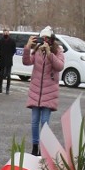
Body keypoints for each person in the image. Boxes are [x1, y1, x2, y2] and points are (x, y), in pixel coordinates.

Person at [23, 26, 65, 156]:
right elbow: (26, 62)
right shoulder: (37, 50)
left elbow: (60, 66)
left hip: (49, 92)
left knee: (45, 122)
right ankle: (35, 147)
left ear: (52, 39)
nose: (44, 41)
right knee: (35, 121)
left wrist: (49, 53)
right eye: (43, 38)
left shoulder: (57, 51)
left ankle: (44, 147)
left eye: (47, 38)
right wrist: (27, 47)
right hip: (36, 91)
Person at [0, 28, 17, 94]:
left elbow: (14, 50)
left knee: (8, 75)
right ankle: (0, 88)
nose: (5, 33)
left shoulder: (12, 41)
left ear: (9, 33)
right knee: (1, 75)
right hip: (2, 59)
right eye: (4, 32)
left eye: (7, 32)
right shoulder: (1, 41)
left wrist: (10, 55)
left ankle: (7, 89)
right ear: (3, 33)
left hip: (9, 60)